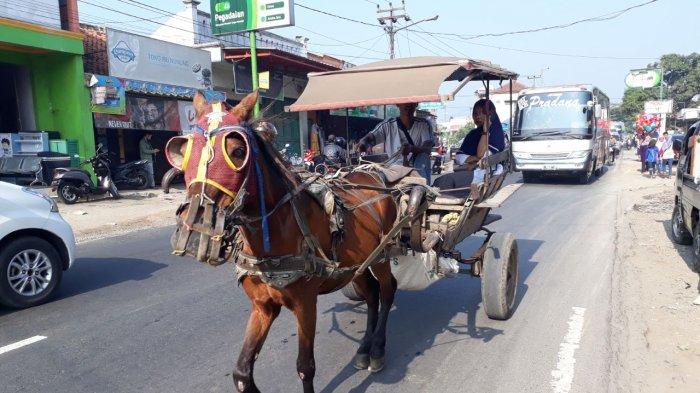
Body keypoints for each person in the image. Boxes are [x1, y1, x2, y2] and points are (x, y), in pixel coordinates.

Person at [433, 99, 506, 190]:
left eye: (482, 113)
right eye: (475, 114)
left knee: (443, 181)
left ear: (490, 115)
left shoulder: (496, 134)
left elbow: (481, 154)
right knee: (440, 181)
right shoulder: (473, 134)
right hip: (472, 171)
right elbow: (459, 157)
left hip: (483, 175)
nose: (478, 117)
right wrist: (477, 159)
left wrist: (485, 132)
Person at [357, 102, 435, 182]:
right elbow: (369, 137)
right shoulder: (387, 125)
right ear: (397, 104)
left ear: (416, 104)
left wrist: (412, 149)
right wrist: (364, 142)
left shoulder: (424, 124)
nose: (408, 104)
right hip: (393, 173)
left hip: (417, 173)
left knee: (423, 158)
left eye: (411, 101)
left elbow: (427, 148)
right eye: (404, 101)